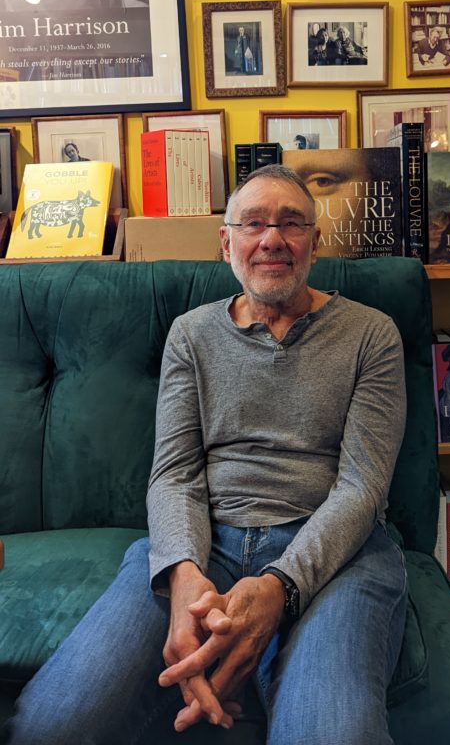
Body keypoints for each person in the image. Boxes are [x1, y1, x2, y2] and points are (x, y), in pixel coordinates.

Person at [3, 164, 408, 745]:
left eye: (292, 224)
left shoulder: (372, 335)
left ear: (315, 244)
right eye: (253, 223)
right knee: (51, 726)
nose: (272, 238)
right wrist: (184, 574)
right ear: (227, 244)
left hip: (336, 556)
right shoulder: (191, 335)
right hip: (204, 545)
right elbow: (174, 474)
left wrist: (280, 587)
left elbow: (363, 488)